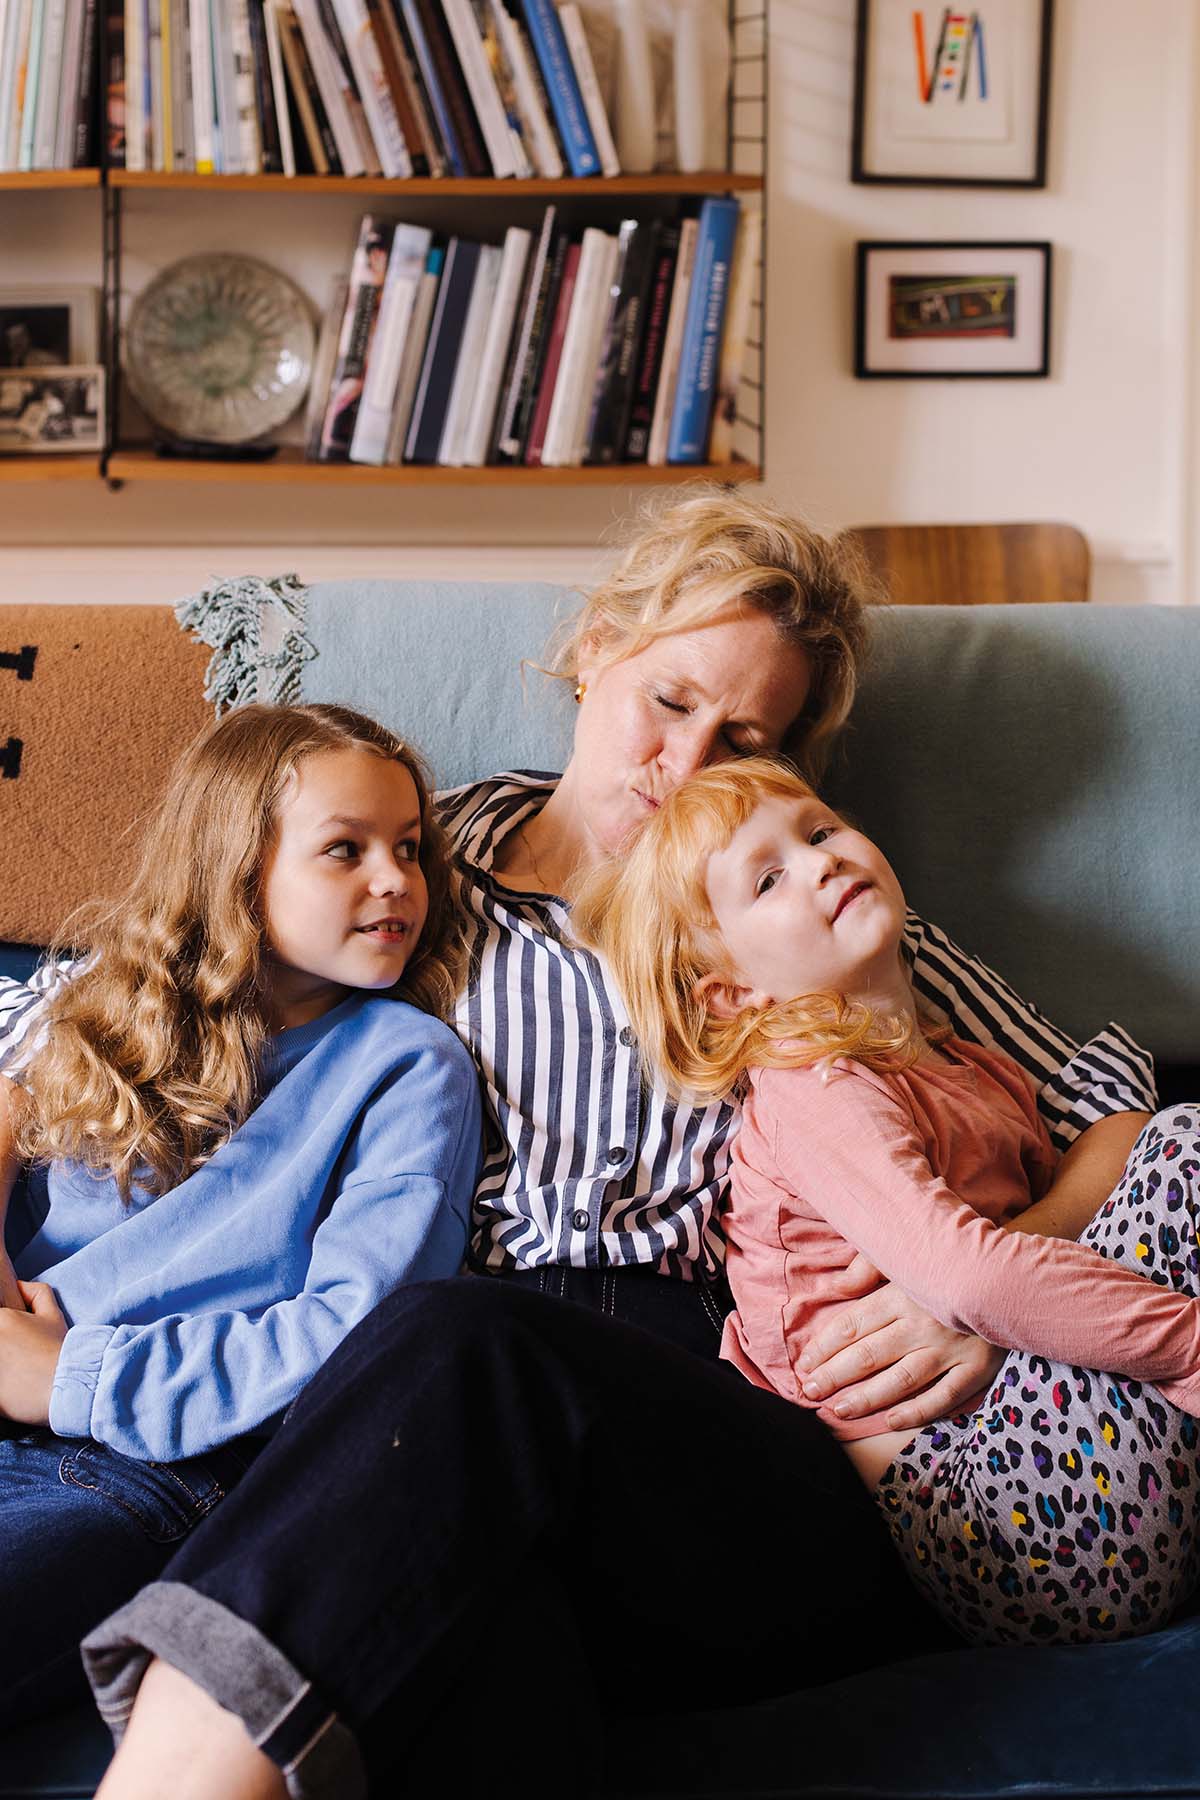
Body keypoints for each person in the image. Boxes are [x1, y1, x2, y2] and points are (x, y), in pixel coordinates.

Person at [0, 490, 1156, 1798]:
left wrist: (988, 1282)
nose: (686, 761)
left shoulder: (794, 915)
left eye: (743, 739)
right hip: (417, 1428)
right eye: (669, 702)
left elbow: (1124, 1108)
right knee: (482, 1643)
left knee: (461, 1347)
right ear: (598, 647)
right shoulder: (418, 872)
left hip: (716, 1432)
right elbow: (92, 1010)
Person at [572, 754, 1200, 1647]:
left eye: (820, 829)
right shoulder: (813, 1088)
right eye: (767, 879)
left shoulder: (972, 1068)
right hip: (1005, 1519)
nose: (820, 860)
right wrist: (1188, 1347)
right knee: (1183, 1150)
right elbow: (970, 1280)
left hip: (1069, 1444)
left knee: (1165, 1147)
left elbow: (1108, 1178)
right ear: (733, 991)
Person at [0, 702, 481, 1729]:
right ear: (234, 869)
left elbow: (350, 1349)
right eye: (344, 851)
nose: (395, 880)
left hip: (138, 1467)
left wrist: (66, 1377)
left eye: (408, 849)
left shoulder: (405, 1066)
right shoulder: (105, 1012)